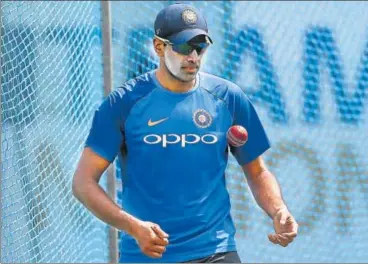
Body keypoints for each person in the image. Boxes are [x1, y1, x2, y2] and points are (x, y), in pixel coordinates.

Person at [72, 3, 298, 263]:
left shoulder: (228, 97)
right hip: (148, 255)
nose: (193, 56)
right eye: (182, 47)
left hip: (216, 250)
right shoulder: (123, 103)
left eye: (200, 47)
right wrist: (133, 227)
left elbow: (257, 171)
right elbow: (83, 183)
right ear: (159, 47)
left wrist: (278, 210)